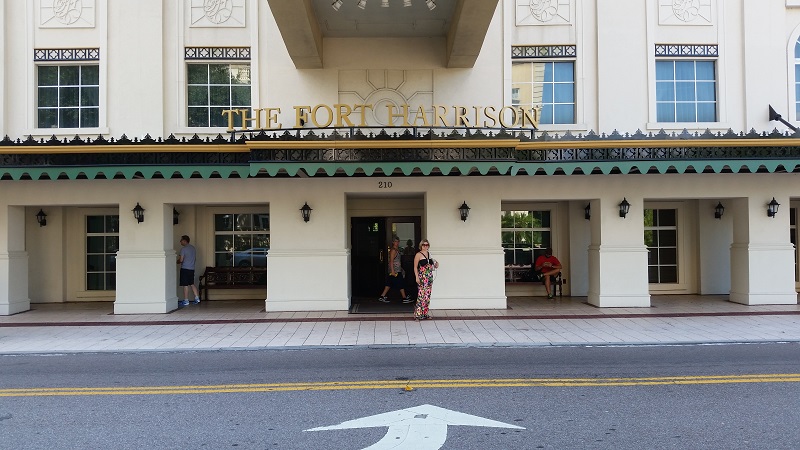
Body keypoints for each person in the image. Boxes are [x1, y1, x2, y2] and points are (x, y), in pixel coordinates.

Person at [379, 237, 413, 304]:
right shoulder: (393, 250)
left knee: (389, 283)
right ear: (393, 242)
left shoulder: (397, 250)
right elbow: (391, 261)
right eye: (395, 241)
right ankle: (404, 297)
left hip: (398, 269)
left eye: (398, 241)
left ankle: (382, 296)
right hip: (395, 270)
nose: (397, 243)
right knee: (400, 283)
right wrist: (392, 271)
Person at [413, 239, 439, 320]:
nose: (425, 246)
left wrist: (436, 264)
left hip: (429, 276)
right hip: (422, 276)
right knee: (421, 295)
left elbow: (433, 265)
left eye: (427, 245)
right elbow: (415, 267)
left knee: (427, 295)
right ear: (421, 246)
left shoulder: (429, 254)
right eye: (424, 245)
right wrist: (417, 277)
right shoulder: (418, 254)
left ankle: (424, 313)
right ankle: (417, 314)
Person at [177, 235, 200, 306]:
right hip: (191, 269)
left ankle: (186, 300)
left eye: (181, 240)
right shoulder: (193, 248)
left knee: (185, 285)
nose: (180, 242)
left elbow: (181, 260)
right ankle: (197, 298)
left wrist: (177, 261)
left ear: (184, 241)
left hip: (185, 269)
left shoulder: (183, 249)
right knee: (192, 284)